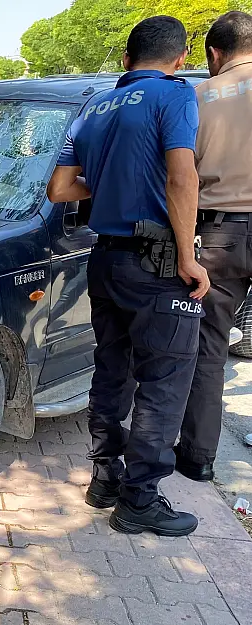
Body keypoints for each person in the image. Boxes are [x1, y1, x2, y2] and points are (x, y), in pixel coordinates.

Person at [47, 16, 210, 536]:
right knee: (164, 377)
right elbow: (182, 175)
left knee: (111, 368)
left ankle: (104, 479)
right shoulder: (175, 94)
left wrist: (111, 187)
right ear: (180, 58)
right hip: (157, 262)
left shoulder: (93, 105)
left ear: (125, 59)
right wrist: (187, 256)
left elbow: (59, 189)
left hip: (106, 259)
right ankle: (140, 499)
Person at [177, 11, 252, 482]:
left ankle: (198, 458)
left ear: (214, 53)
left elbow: (179, 178)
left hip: (221, 234)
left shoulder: (198, 97)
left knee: (209, 347)